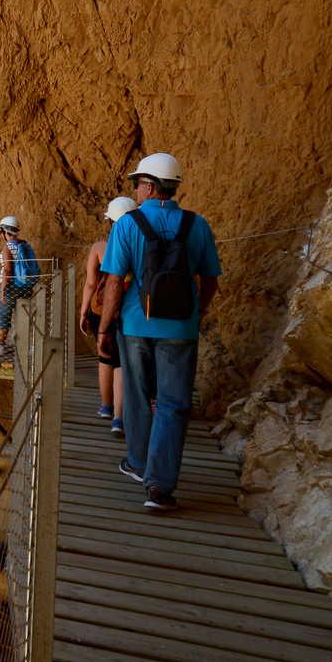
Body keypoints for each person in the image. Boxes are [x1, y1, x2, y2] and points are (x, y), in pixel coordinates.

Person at [95, 153, 220, 511]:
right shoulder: (197, 225)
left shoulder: (127, 225)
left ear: (149, 186)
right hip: (181, 327)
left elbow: (115, 283)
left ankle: (137, 463)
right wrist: (196, 314)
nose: (135, 190)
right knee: (173, 403)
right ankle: (160, 487)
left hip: (135, 325)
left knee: (137, 395)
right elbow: (209, 281)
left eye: (137, 184)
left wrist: (105, 327)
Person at [80, 196, 137, 436]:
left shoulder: (100, 247)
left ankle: (106, 406)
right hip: (129, 309)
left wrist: (83, 312)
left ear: (111, 221)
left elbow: (91, 283)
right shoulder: (141, 245)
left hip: (102, 310)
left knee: (106, 358)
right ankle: (118, 419)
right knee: (122, 363)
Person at [0, 215, 40, 356]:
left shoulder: (7, 247)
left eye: (1, 232)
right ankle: (27, 347)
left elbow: (8, 270)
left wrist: (3, 290)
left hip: (10, 287)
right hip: (25, 287)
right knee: (23, 316)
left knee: (5, 316)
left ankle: (0, 346)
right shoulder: (25, 244)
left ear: (4, 232)